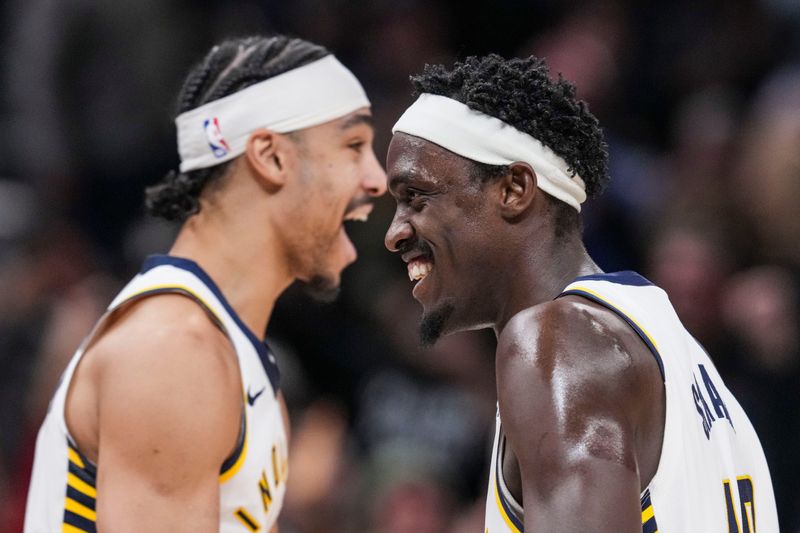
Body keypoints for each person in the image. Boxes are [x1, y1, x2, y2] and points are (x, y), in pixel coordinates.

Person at [384, 55, 779, 532]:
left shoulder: (557, 345)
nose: (394, 234)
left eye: (416, 197)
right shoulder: (672, 347)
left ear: (513, 189)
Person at [24, 35, 386, 532]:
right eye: (353, 146)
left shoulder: (235, 361)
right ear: (271, 156)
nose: (377, 179)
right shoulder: (173, 353)